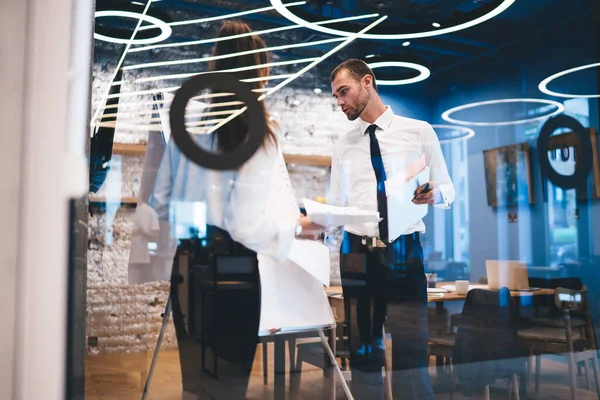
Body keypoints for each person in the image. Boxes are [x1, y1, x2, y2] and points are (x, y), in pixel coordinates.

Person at [150, 20, 318, 399]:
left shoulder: (187, 121)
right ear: (258, 72)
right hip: (233, 269)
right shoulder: (259, 131)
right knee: (227, 389)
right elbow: (243, 225)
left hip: (188, 264)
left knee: (195, 386)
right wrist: (295, 227)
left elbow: (161, 203)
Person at [328, 59, 455, 399]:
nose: (340, 102)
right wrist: (319, 228)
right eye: (336, 96)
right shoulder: (343, 144)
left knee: (411, 345)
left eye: (345, 92)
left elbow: (448, 188)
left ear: (367, 83)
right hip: (355, 252)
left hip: (404, 248)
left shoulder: (419, 131)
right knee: (363, 347)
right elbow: (336, 203)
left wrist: (434, 194)